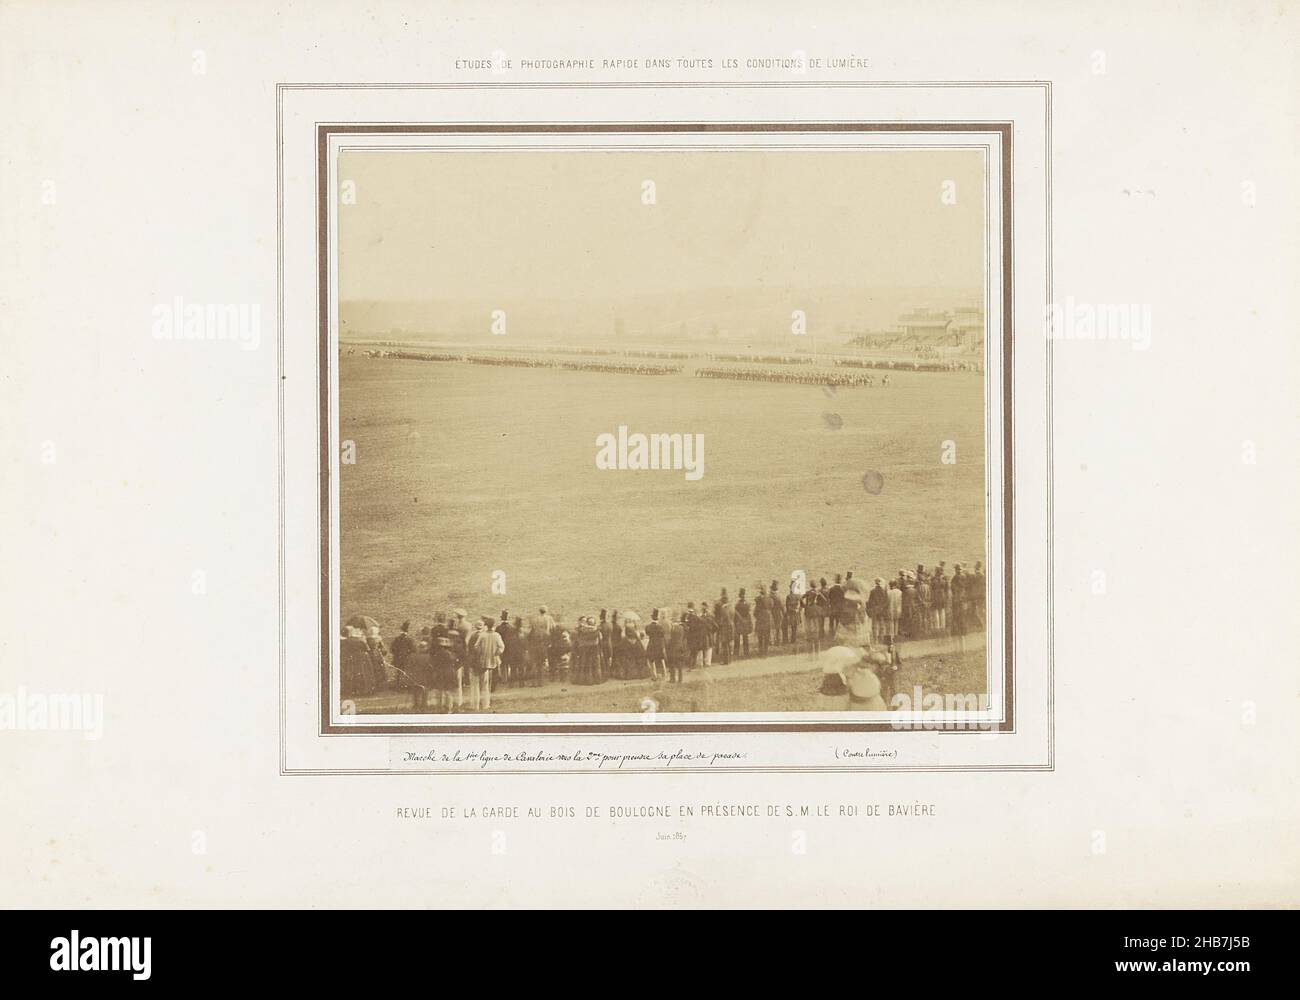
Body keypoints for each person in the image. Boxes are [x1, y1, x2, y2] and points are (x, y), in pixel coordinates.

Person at [466, 616, 503, 710]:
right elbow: (501, 648)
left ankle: (475, 705)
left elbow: (473, 647)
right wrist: (494, 654)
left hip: (475, 662)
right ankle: (486, 704)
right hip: (486, 662)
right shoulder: (492, 635)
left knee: (475, 685)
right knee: (485, 684)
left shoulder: (474, 636)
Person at [429, 636, 458, 713]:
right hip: (450, 673)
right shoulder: (450, 654)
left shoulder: (437, 654)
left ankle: (440, 707)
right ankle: (449, 708)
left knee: (440, 691)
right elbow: (454, 662)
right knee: (448, 691)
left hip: (440, 673)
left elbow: (434, 664)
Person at [527, 606, 554, 683]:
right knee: (542, 662)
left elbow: (530, 630)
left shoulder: (535, 619)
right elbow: (553, 628)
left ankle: (535, 681)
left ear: (539, 611)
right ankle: (541, 680)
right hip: (545, 641)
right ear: (546, 611)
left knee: (536, 662)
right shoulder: (549, 618)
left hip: (536, 642)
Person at [645, 610, 667, 680]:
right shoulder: (660, 627)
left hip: (652, 644)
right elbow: (662, 635)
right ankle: (664, 674)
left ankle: (654, 676)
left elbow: (647, 633)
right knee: (661, 659)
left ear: (652, 618)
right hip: (659, 645)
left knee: (651, 660)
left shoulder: (648, 627)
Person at [713, 590, 734, 665]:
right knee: (728, 644)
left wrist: (718, 625)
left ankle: (726, 661)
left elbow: (721, 618)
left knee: (725, 644)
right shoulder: (730, 607)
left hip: (724, 628)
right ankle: (729, 660)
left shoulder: (723, 609)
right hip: (730, 627)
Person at [866, 577, 890, 643]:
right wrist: (882, 607)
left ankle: (875, 639)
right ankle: (881, 639)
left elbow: (870, 602)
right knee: (882, 625)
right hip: (881, 610)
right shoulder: (884, 591)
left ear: (875, 583)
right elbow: (887, 602)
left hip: (875, 610)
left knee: (874, 625)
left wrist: (869, 609)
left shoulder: (872, 591)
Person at [667, 612, 687, 683]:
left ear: (673, 621)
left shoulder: (673, 629)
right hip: (680, 647)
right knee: (679, 665)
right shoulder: (681, 628)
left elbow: (672, 639)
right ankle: (680, 679)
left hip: (673, 648)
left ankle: (672, 679)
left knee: (672, 663)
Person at [734, 588, 753, 659]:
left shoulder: (737, 604)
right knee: (745, 638)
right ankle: (746, 652)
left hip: (739, 622)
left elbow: (736, 614)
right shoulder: (747, 604)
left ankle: (737, 652)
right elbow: (748, 614)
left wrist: (738, 621)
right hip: (744, 622)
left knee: (738, 638)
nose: (743, 596)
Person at [698, 599, 716, 666]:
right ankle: (702, 663)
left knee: (708, 648)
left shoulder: (709, 616)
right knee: (702, 648)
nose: (703, 609)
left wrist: (711, 632)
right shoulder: (700, 616)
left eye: (704, 607)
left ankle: (707, 662)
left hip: (707, 634)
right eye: (702, 607)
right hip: (702, 635)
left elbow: (715, 626)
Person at [769, 580, 785, 647]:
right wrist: (784, 612)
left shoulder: (769, 595)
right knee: (778, 628)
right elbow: (781, 605)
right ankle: (778, 641)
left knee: (772, 628)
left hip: (771, 613)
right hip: (777, 612)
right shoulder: (777, 596)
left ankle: (772, 641)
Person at [784, 581, 801, 645]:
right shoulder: (798, 596)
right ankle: (793, 639)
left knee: (793, 626)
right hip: (795, 613)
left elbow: (787, 607)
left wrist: (794, 610)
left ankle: (792, 640)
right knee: (794, 627)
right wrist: (797, 610)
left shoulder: (789, 596)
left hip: (791, 614)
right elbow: (801, 605)